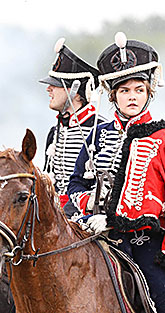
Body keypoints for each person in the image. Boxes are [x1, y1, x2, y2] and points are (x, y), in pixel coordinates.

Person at [68, 32, 165, 313]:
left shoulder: (163, 138)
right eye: (125, 90)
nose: (132, 97)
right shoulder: (95, 137)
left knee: (162, 298)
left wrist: (112, 218)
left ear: (149, 93)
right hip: (97, 235)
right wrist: (89, 208)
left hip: (147, 240)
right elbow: (75, 186)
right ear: (113, 96)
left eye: (139, 89)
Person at [39, 38, 105, 210]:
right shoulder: (55, 132)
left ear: (75, 91)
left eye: (55, 85)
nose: (49, 89)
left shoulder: (100, 129)